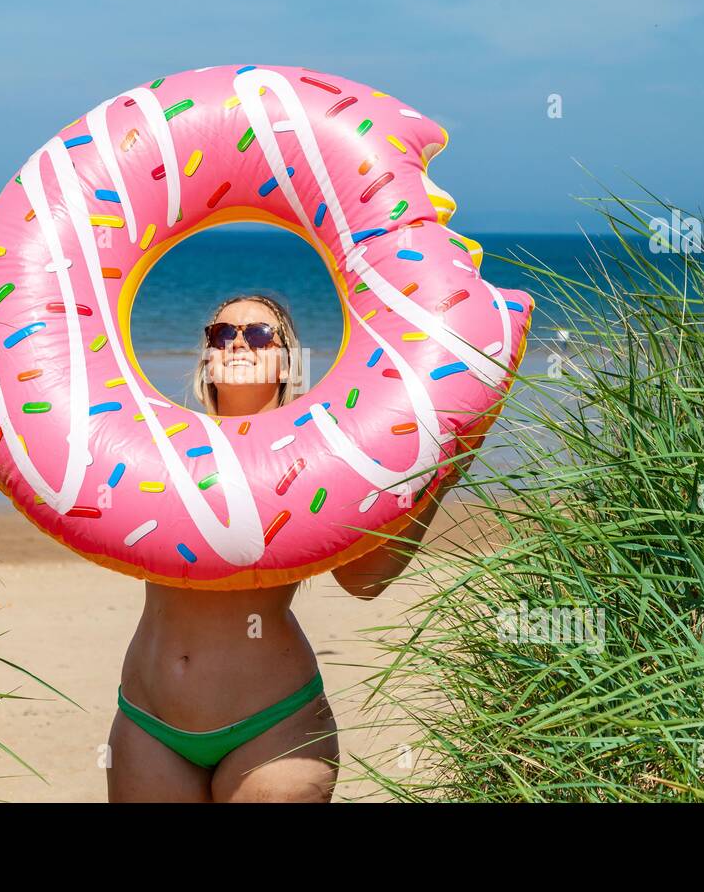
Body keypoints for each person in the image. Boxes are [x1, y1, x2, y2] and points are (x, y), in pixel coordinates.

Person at [106, 293, 461, 802]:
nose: (236, 344)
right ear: (206, 355)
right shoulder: (162, 444)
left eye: (257, 334)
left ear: (286, 360)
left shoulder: (313, 453)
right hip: (148, 721)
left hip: (271, 727)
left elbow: (363, 581)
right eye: (221, 334)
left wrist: (441, 476)